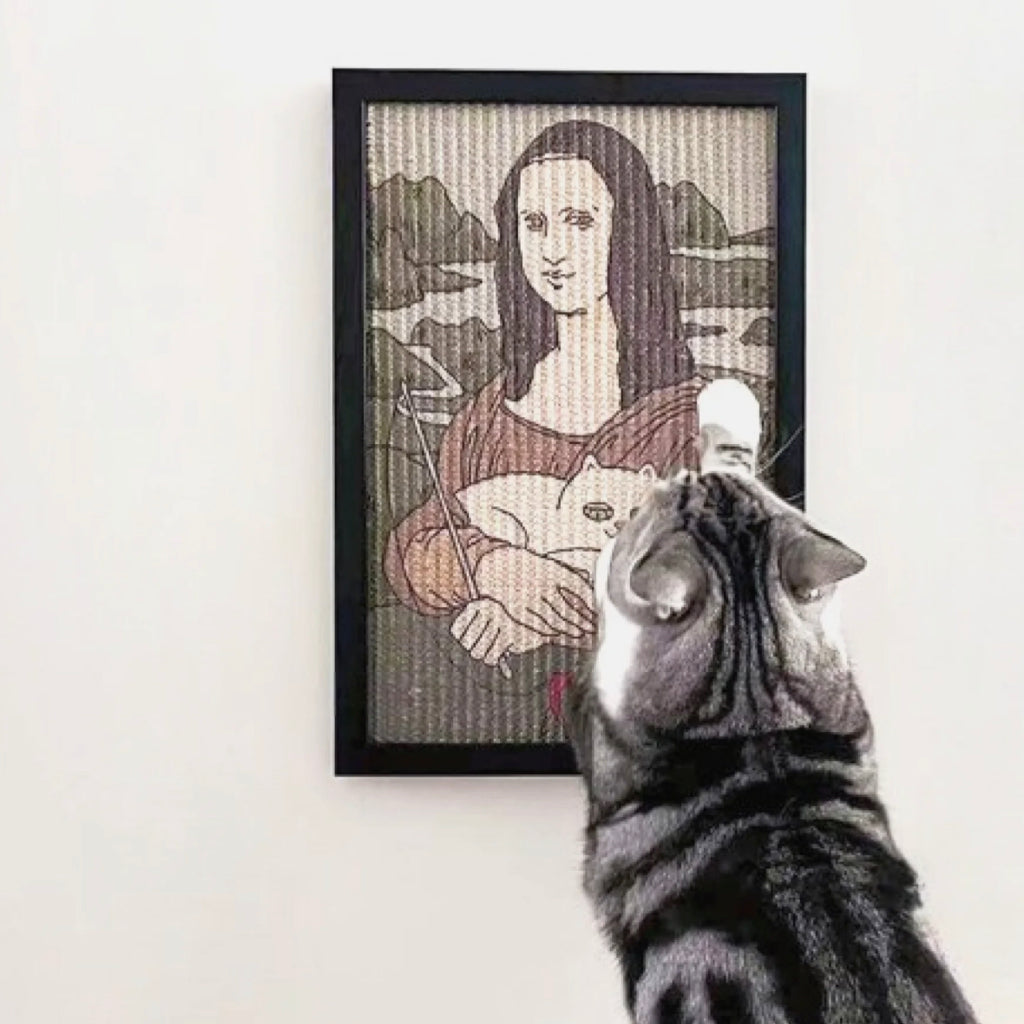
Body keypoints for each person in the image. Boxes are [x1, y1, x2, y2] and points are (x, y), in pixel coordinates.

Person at [374, 120, 704, 742]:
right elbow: (416, 544)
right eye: (534, 223)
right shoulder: (489, 411)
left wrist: (545, 617)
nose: (553, 249)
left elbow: (701, 598)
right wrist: (497, 568)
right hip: (480, 725)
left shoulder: (685, 420)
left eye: (579, 221)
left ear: (626, 234)